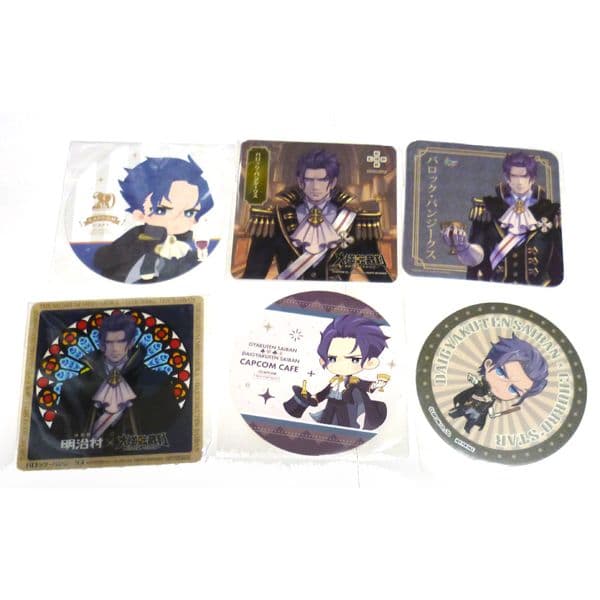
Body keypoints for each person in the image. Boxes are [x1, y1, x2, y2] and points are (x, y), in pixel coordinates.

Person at [242, 149, 392, 281]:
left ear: (332, 183)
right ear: (300, 182)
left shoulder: (357, 221)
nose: (315, 186)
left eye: (322, 180)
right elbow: (252, 277)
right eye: (309, 180)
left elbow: (379, 277)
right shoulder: (275, 219)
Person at [52, 313, 179, 441]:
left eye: (121, 341)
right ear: (102, 345)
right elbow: (59, 437)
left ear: (130, 343)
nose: (115, 348)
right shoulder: (74, 386)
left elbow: (174, 433)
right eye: (109, 342)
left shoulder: (158, 382)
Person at [441, 152, 562, 285]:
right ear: (507, 178)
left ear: (532, 178)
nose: (519, 182)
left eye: (524, 176)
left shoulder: (551, 212)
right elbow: (477, 259)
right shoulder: (488, 209)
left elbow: (559, 262)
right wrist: (463, 247)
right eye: (514, 176)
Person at [94, 156, 213, 283]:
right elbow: (102, 260)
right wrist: (142, 246)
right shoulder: (138, 236)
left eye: (189, 213)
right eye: (161, 210)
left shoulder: (187, 241)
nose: (175, 220)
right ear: (139, 214)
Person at [284, 315, 390, 430]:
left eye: (354, 359)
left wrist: (377, 384)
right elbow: (324, 393)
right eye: (332, 358)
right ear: (323, 360)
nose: (341, 365)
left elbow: (366, 385)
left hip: (347, 406)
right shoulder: (334, 380)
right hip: (331, 404)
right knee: (327, 421)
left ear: (370, 363)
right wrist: (314, 398)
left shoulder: (353, 381)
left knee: (346, 424)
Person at [449, 335, 548, 434]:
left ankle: (467, 429)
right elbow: (476, 384)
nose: (503, 386)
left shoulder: (491, 399)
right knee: (458, 412)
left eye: (513, 389)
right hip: (467, 404)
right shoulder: (481, 387)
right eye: (501, 373)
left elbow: (490, 407)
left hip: (478, 412)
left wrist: (492, 414)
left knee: (471, 422)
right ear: (488, 364)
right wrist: (477, 389)